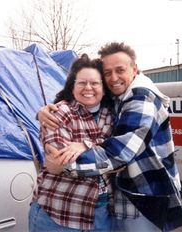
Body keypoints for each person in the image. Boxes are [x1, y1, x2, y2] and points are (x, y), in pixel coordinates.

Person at [38, 42, 182, 232]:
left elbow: (119, 152)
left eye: (120, 70)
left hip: (143, 197)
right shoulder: (115, 99)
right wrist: (41, 112)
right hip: (97, 205)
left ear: (134, 69)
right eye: (107, 73)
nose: (114, 78)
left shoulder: (141, 98)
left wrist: (65, 164)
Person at [29, 54, 115, 231]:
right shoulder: (59, 112)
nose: (88, 88)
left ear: (104, 88)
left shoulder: (112, 115)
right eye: (82, 83)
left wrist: (85, 145)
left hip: (100, 214)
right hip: (58, 213)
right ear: (73, 87)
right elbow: (60, 159)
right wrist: (105, 150)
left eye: (95, 83)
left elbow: (121, 155)